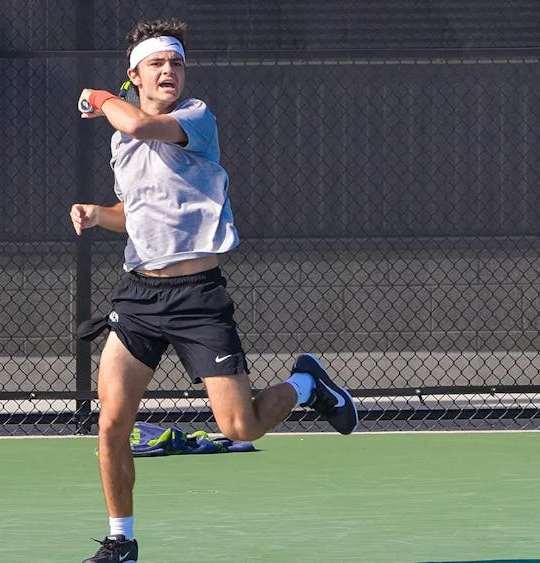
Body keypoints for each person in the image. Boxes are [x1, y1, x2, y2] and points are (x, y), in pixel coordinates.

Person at [71, 18, 358, 563]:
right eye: (156, 64)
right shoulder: (122, 142)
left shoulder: (194, 118)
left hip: (199, 297)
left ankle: (308, 384)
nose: (169, 72)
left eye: (176, 63)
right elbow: (139, 214)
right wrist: (97, 214)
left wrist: (103, 95)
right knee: (112, 423)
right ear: (137, 74)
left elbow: (137, 125)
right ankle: (121, 540)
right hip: (139, 298)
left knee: (240, 425)